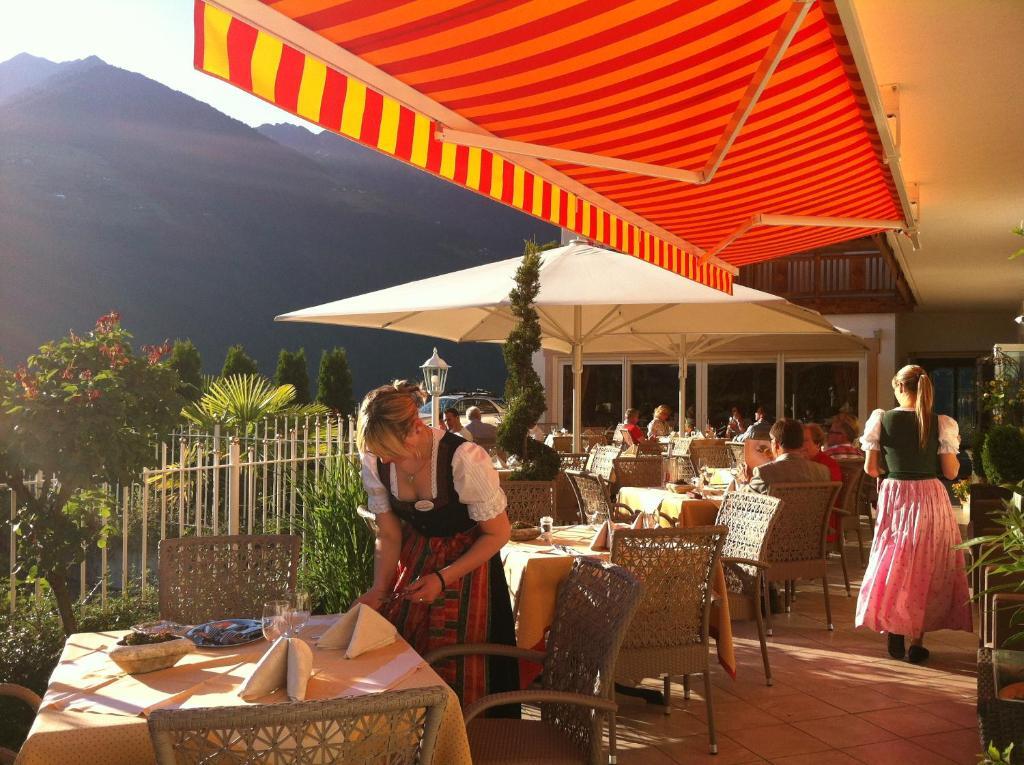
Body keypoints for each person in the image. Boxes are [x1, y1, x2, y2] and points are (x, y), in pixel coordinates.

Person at [356, 381, 518, 706]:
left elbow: (498, 534)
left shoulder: (463, 458)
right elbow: (389, 534)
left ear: (416, 427)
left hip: (471, 573)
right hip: (417, 565)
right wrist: (379, 589)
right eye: (378, 451)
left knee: (464, 670)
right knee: (405, 660)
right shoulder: (376, 460)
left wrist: (443, 578)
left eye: (390, 450)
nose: (384, 458)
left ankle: (470, 734)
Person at [856, 365, 971, 664]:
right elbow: (950, 472)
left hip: (895, 494)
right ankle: (917, 641)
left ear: (898, 387)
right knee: (927, 564)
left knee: (895, 559)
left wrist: (891, 468)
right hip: (930, 496)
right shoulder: (941, 423)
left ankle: (895, 625)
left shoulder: (881, 419)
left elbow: (871, 469)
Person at [739, 418, 830, 494]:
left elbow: (742, 501)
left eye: (771, 441)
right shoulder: (823, 472)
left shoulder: (764, 473)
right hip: (811, 511)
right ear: (801, 443)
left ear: (776, 444)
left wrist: (744, 482)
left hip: (779, 512)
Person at [803, 422, 843, 543]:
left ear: (817, 443)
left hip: (822, 521)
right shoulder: (802, 463)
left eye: (805, 440)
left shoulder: (827, 465)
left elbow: (829, 497)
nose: (800, 444)